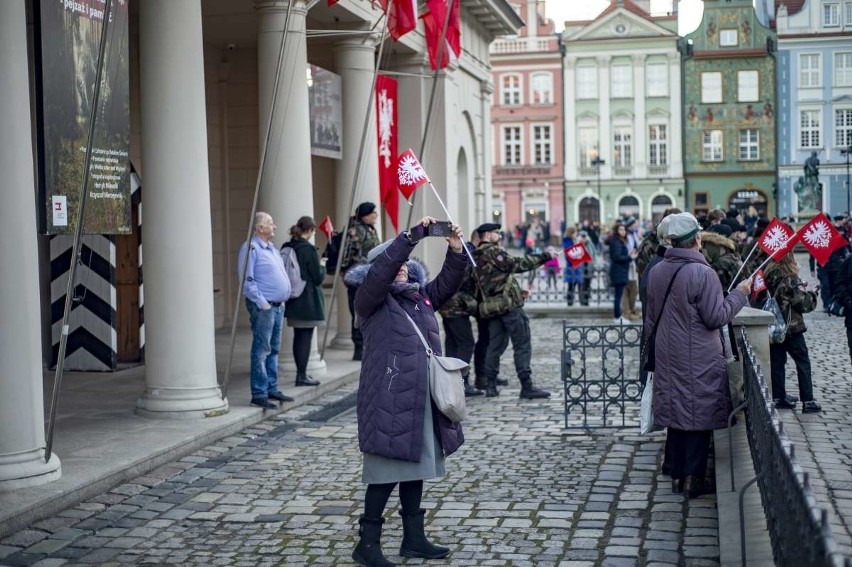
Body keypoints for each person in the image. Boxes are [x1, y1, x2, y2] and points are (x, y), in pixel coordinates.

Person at [343, 217, 468, 566]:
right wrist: (410, 238)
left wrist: (456, 251)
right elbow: (381, 274)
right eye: (392, 266)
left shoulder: (419, 297)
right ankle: (367, 545)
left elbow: (447, 283)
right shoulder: (370, 301)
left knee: (417, 467)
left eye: (403, 267)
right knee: (385, 473)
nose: (398, 272)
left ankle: (413, 539)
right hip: (388, 400)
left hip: (420, 397)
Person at [645, 212, 751, 498]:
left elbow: (652, 317)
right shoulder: (703, 273)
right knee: (698, 415)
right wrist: (739, 294)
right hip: (699, 356)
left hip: (669, 353)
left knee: (678, 413)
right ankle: (693, 479)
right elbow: (716, 316)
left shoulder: (657, 271)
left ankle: (678, 474)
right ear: (698, 239)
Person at [474, 223, 553, 399]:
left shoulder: (477, 256)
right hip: (509, 307)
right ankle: (526, 386)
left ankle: (491, 386)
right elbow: (517, 264)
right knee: (522, 344)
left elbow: (497, 280)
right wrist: (545, 256)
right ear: (487, 235)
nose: (499, 235)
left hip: (493, 308)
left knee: (493, 347)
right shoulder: (493, 252)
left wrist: (518, 290)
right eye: (496, 232)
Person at [237, 212, 295, 409]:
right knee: (262, 349)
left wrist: (281, 300)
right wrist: (263, 303)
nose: (275, 226)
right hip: (265, 307)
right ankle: (259, 393)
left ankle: (272, 388)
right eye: (270, 223)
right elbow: (247, 281)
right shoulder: (251, 248)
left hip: (277, 307)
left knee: (274, 349)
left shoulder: (271, 248)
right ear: (260, 228)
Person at [764, 253, 822, 413]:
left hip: (774, 326)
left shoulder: (767, 274)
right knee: (802, 362)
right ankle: (808, 400)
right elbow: (802, 304)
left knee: (777, 362)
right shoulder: (789, 277)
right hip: (791, 327)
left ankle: (778, 397)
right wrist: (812, 295)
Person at [281, 216, 326, 387]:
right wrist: (322, 265)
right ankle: (301, 375)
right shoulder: (308, 249)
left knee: (298, 337)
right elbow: (317, 277)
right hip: (307, 300)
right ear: (311, 230)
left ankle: (301, 374)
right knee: (305, 337)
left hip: (293, 298)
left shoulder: (287, 246)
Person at [438, 233, 484, 397]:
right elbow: (460, 281)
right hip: (455, 307)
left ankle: (451, 381)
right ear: (478, 240)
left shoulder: (465, 251)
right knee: (466, 343)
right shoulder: (467, 253)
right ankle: (462, 382)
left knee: (452, 343)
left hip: (448, 306)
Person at [343, 202, 380, 361]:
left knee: (371, 313)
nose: (376, 216)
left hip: (371, 279)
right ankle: (359, 348)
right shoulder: (356, 230)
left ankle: (369, 345)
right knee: (358, 313)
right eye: (373, 213)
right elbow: (349, 255)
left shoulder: (370, 229)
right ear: (365, 215)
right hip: (358, 280)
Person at [607, 223, 636, 324]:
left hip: (621, 270)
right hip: (618, 270)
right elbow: (617, 257)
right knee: (618, 296)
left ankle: (618, 316)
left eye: (624, 230)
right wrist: (630, 258)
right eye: (621, 230)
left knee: (618, 295)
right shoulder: (616, 241)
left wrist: (630, 255)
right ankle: (617, 317)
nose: (623, 232)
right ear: (616, 231)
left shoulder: (619, 241)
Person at [621, 217, 641, 320]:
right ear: (630, 225)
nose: (636, 225)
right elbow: (628, 249)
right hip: (628, 264)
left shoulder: (633, 234)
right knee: (628, 289)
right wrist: (633, 253)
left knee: (633, 289)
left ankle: (631, 310)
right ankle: (627, 312)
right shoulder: (628, 236)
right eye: (634, 224)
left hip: (633, 264)